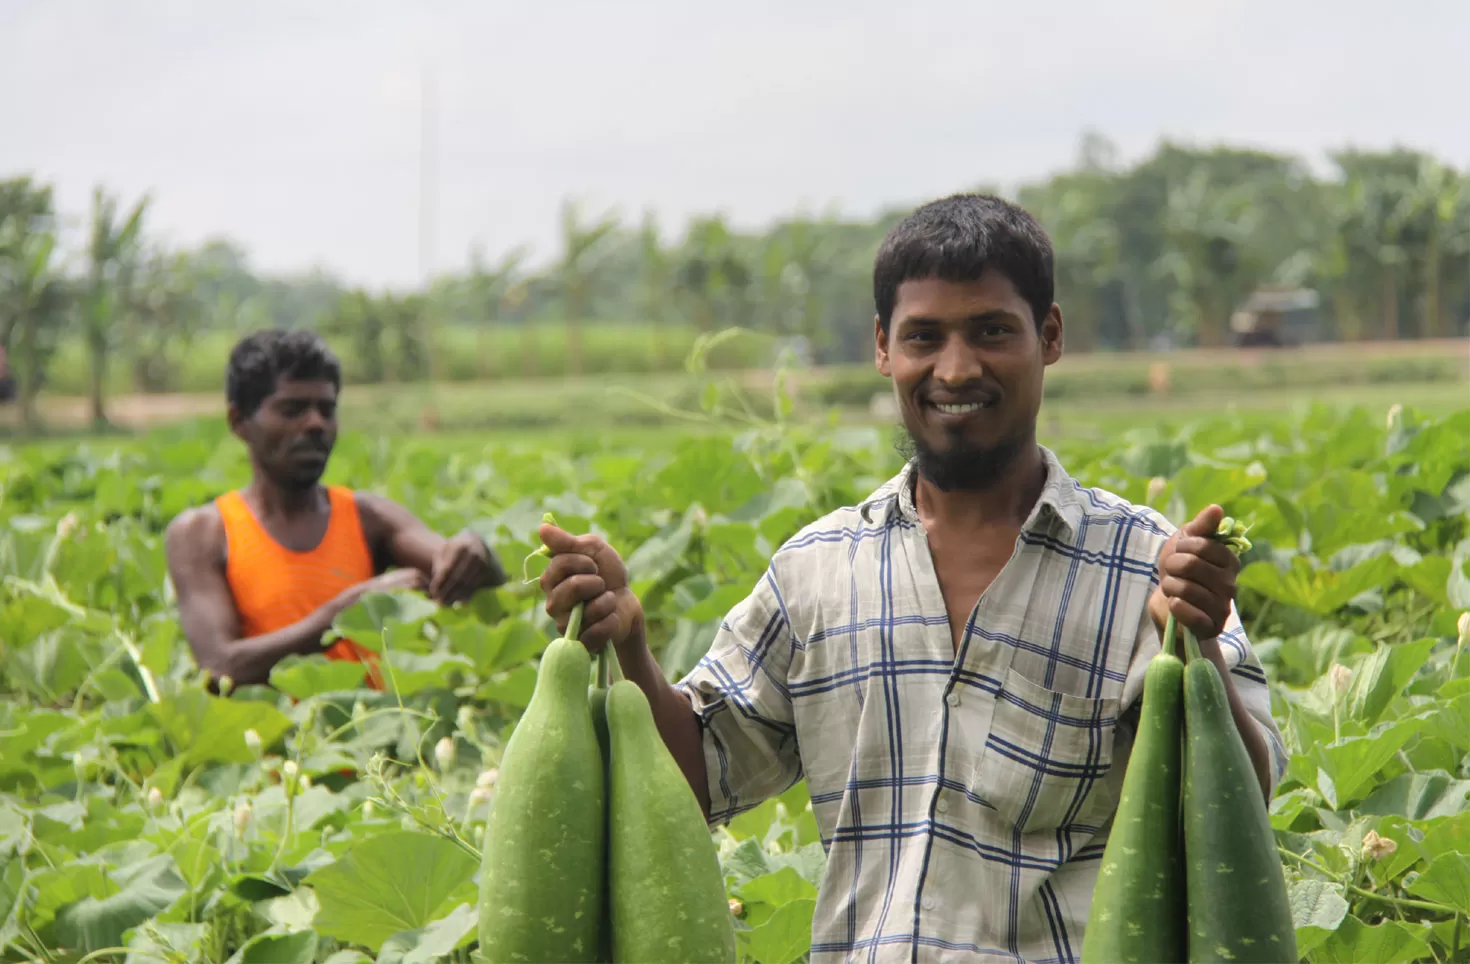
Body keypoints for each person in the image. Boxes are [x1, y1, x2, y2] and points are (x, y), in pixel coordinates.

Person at [536, 194, 1288, 962]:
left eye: (992, 331)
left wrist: (1191, 645)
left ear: (1049, 336)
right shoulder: (816, 570)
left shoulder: (1148, 568)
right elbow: (698, 775)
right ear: (883, 348)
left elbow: (1242, 809)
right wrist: (628, 641)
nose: (956, 369)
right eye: (924, 336)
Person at [166, 329, 507, 691]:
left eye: (326, 410)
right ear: (239, 422)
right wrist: (346, 612)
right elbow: (220, 665)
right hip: (271, 744)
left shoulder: (368, 517)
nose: (316, 424)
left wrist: (474, 550)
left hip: (374, 738)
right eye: (292, 409)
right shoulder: (201, 534)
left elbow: (461, 569)